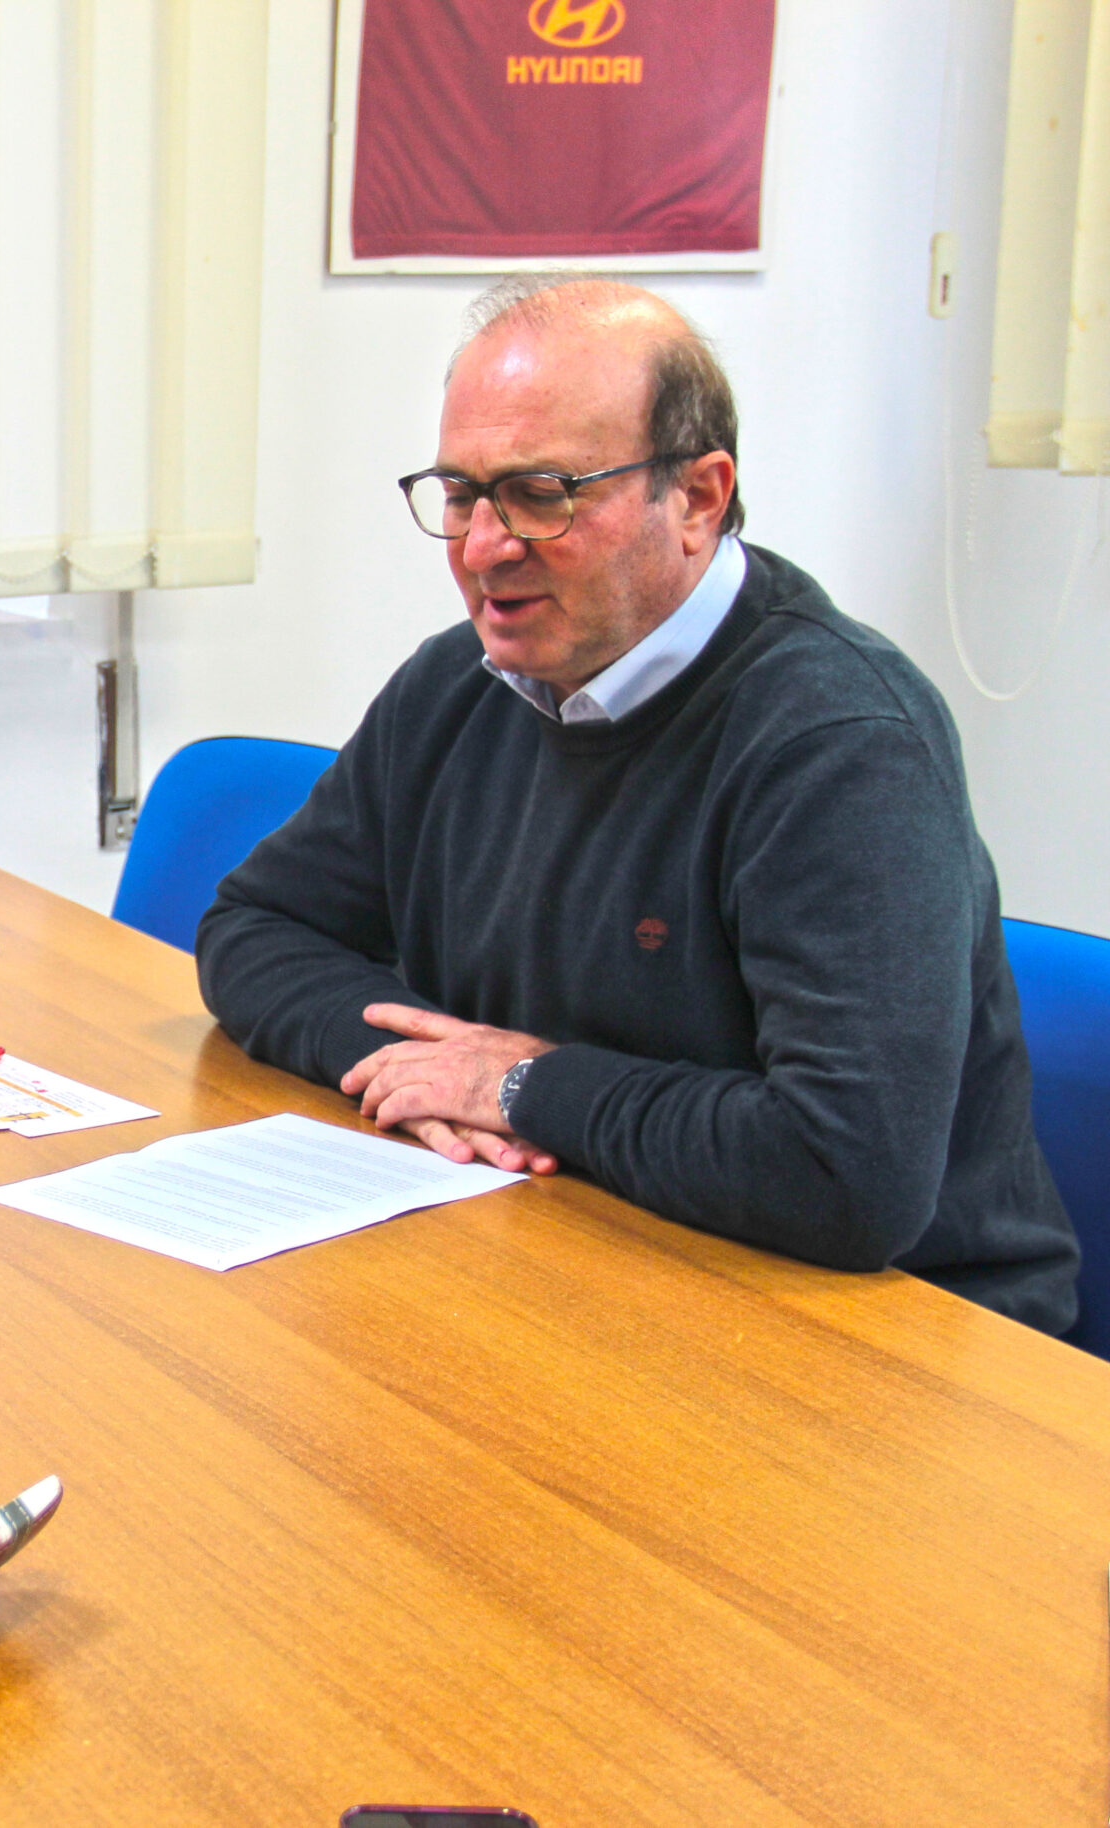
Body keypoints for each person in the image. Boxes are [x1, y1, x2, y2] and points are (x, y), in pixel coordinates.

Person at [197, 276, 1079, 1333]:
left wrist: (525, 1090)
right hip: (582, 1238)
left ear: (697, 498)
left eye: (541, 493)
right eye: (463, 493)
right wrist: (428, 1076)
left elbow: (848, 1174)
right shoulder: (458, 683)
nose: (483, 546)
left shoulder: (839, 742)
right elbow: (254, 927)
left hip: (894, 1332)